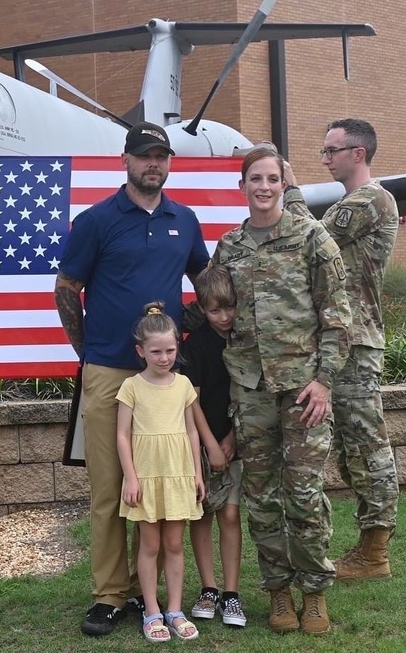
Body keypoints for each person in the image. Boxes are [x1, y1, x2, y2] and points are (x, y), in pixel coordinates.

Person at [55, 121, 209, 636]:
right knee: (109, 488)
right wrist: (88, 352)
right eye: (145, 155)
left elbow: (205, 287)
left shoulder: (184, 220)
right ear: (126, 160)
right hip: (108, 372)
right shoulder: (97, 220)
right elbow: (67, 286)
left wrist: (176, 332)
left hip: (164, 380)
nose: (154, 164)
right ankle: (109, 595)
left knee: (163, 487)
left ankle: (163, 598)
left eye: (161, 156)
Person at [212, 147, 351, 635]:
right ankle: (278, 593)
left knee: (305, 495)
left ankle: (314, 592)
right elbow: (217, 312)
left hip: (303, 393)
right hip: (250, 392)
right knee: (261, 498)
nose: (264, 187)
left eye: (272, 178)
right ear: (243, 186)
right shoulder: (229, 246)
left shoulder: (313, 238)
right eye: (255, 179)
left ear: (282, 184)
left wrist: (324, 381)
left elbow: (337, 318)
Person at [283, 118, 401, 582]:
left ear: (358, 153)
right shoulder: (351, 201)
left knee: (367, 444)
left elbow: (313, 238)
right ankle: (368, 548)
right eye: (323, 150)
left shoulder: (372, 199)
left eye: (332, 150)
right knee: (351, 448)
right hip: (337, 341)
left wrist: (290, 191)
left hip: (355, 342)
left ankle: (375, 554)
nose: (325, 157)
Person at [116, 302, 204, 642]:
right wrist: (132, 477)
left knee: (174, 544)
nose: (164, 357)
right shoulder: (131, 387)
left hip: (178, 474)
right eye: (156, 351)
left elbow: (192, 431)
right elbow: (122, 435)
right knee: (149, 545)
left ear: (176, 347)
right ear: (141, 351)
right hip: (147, 476)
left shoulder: (183, 384)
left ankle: (176, 610)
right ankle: (152, 611)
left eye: (169, 350)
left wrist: (196, 473)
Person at [180, 264, 246, 628]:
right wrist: (211, 446)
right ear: (202, 310)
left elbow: (251, 395)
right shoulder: (198, 345)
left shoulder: (245, 339)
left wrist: (232, 439)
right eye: (214, 310)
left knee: (231, 514)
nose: (224, 317)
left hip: (237, 439)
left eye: (230, 307)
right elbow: (193, 402)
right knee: (203, 514)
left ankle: (232, 594)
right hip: (202, 442)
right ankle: (209, 588)